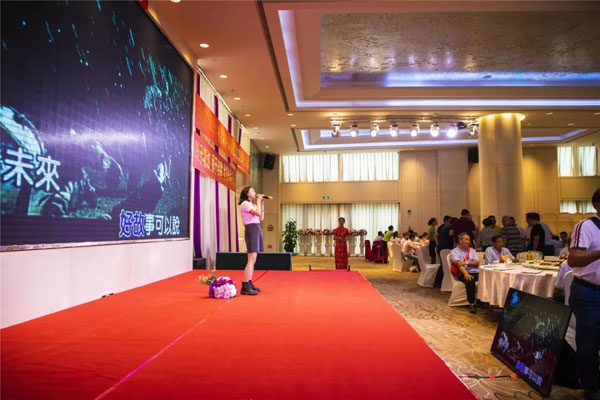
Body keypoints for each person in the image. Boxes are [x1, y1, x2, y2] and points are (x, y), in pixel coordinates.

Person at [567, 188, 600, 400]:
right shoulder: (586, 226)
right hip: (590, 293)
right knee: (589, 343)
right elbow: (574, 259)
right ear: (598, 204)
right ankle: (590, 386)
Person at [239, 186, 264, 295]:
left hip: (256, 228)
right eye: (252, 191)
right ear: (247, 193)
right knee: (251, 258)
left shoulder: (252, 205)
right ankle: (245, 285)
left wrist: (261, 204)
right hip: (251, 229)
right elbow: (257, 213)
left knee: (254, 259)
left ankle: (249, 282)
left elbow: (261, 217)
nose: (254, 192)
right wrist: (258, 201)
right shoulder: (245, 204)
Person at [450, 232, 480, 314]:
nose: (468, 242)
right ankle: (471, 303)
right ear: (460, 241)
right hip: (462, 273)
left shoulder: (472, 250)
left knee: (486, 277)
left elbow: (477, 263)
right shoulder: (454, 252)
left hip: (476, 272)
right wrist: (466, 274)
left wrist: (466, 263)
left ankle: (483, 300)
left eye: (469, 240)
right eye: (466, 239)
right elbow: (459, 264)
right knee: (470, 280)